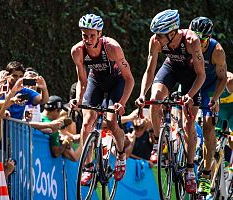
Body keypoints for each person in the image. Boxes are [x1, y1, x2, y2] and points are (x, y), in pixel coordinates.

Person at [135, 9, 205, 193]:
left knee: (189, 123)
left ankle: (190, 169)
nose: (156, 38)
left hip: (192, 76)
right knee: (155, 99)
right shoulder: (155, 41)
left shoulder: (191, 41)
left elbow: (201, 75)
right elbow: (150, 71)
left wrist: (189, 95)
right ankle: (158, 142)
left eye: (160, 34)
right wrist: (142, 93)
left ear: (172, 32)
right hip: (171, 68)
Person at [70, 14, 134, 183]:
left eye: (92, 35)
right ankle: (89, 167)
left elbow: (129, 79)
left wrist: (121, 103)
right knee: (86, 122)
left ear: (100, 33)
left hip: (117, 82)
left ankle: (121, 154)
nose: (89, 39)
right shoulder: (77, 51)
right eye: (85, 35)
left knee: (112, 122)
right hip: (95, 81)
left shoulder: (112, 47)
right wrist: (78, 100)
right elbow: (82, 81)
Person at [189, 16, 228, 195]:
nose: (198, 42)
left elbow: (223, 78)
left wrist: (215, 99)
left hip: (210, 88)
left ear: (209, 37)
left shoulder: (216, 51)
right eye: (195, 37)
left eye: (202, 39)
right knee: (184, 119)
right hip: (191, 83)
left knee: (208, 126)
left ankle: (205, 174)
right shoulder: (186, 43)